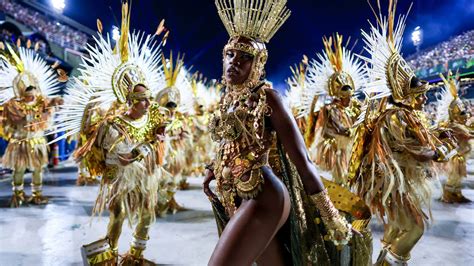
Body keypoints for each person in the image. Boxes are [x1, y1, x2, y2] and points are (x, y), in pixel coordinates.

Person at [204, 1, 356, 265]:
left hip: (264, 197)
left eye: (245, 58)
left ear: (259, 63)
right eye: (230, 55)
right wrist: (212, 168)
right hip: (236, 194)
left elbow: (302, 160)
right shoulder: (228, 98)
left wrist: (331, 216)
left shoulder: (269, 98)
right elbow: (232, 144)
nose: (234, 62)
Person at [50, 3, 169, 264]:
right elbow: (120, 158)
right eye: (141, 100)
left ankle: (136, 256)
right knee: (118, 215)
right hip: (121, 179)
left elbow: (161, 140)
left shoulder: (154, 117)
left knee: (147, 215)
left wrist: (160, 140)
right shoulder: (113, 124)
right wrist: (148, 146)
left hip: (146, 178)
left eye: (148, 98)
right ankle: (110, 255)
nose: (147, 103)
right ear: (128, 101)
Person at [350, 2, 457, 265]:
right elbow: (418, 151)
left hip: (398, 181)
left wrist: (439, 136)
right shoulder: (395, 115)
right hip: (392, 184)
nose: (422, 100)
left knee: (397, 230)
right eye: (419, 95)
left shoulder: (403, 114)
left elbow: (420, 139)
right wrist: (443, 150)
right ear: (404, 94)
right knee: (414, 228)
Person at [0, 42, 63, 207]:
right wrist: (24, 118)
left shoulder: (42, 102)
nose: (31, 96)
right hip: (20, 142)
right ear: (21, 92)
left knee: (38, 169)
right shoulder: (12, 105)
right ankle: (18, 194)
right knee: (19, 169)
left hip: (37, 142)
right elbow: (10, 120)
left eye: (33, 92)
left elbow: (50, 108)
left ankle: (37, 194)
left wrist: (56, 103)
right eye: (27, 94)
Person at [302, 34, 366, 186]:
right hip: (338, 145)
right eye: (346, 97)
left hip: (355, 143)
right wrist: (351, 131)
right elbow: (338, 128)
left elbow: (362, 117)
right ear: (339, 96)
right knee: (342, 173)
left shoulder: (355, 105)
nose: (349, 99)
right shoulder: (330, 109)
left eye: (350, 96)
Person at [435, 71, 474, 203]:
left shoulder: (457, 124)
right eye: (462, 111)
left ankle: (456, 193)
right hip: (455, 156)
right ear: (454, 113)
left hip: (460, 156)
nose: (465, 114)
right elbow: (466, 135)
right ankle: (448, 195)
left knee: (458, 177)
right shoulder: (453, 126)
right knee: (454, 176)